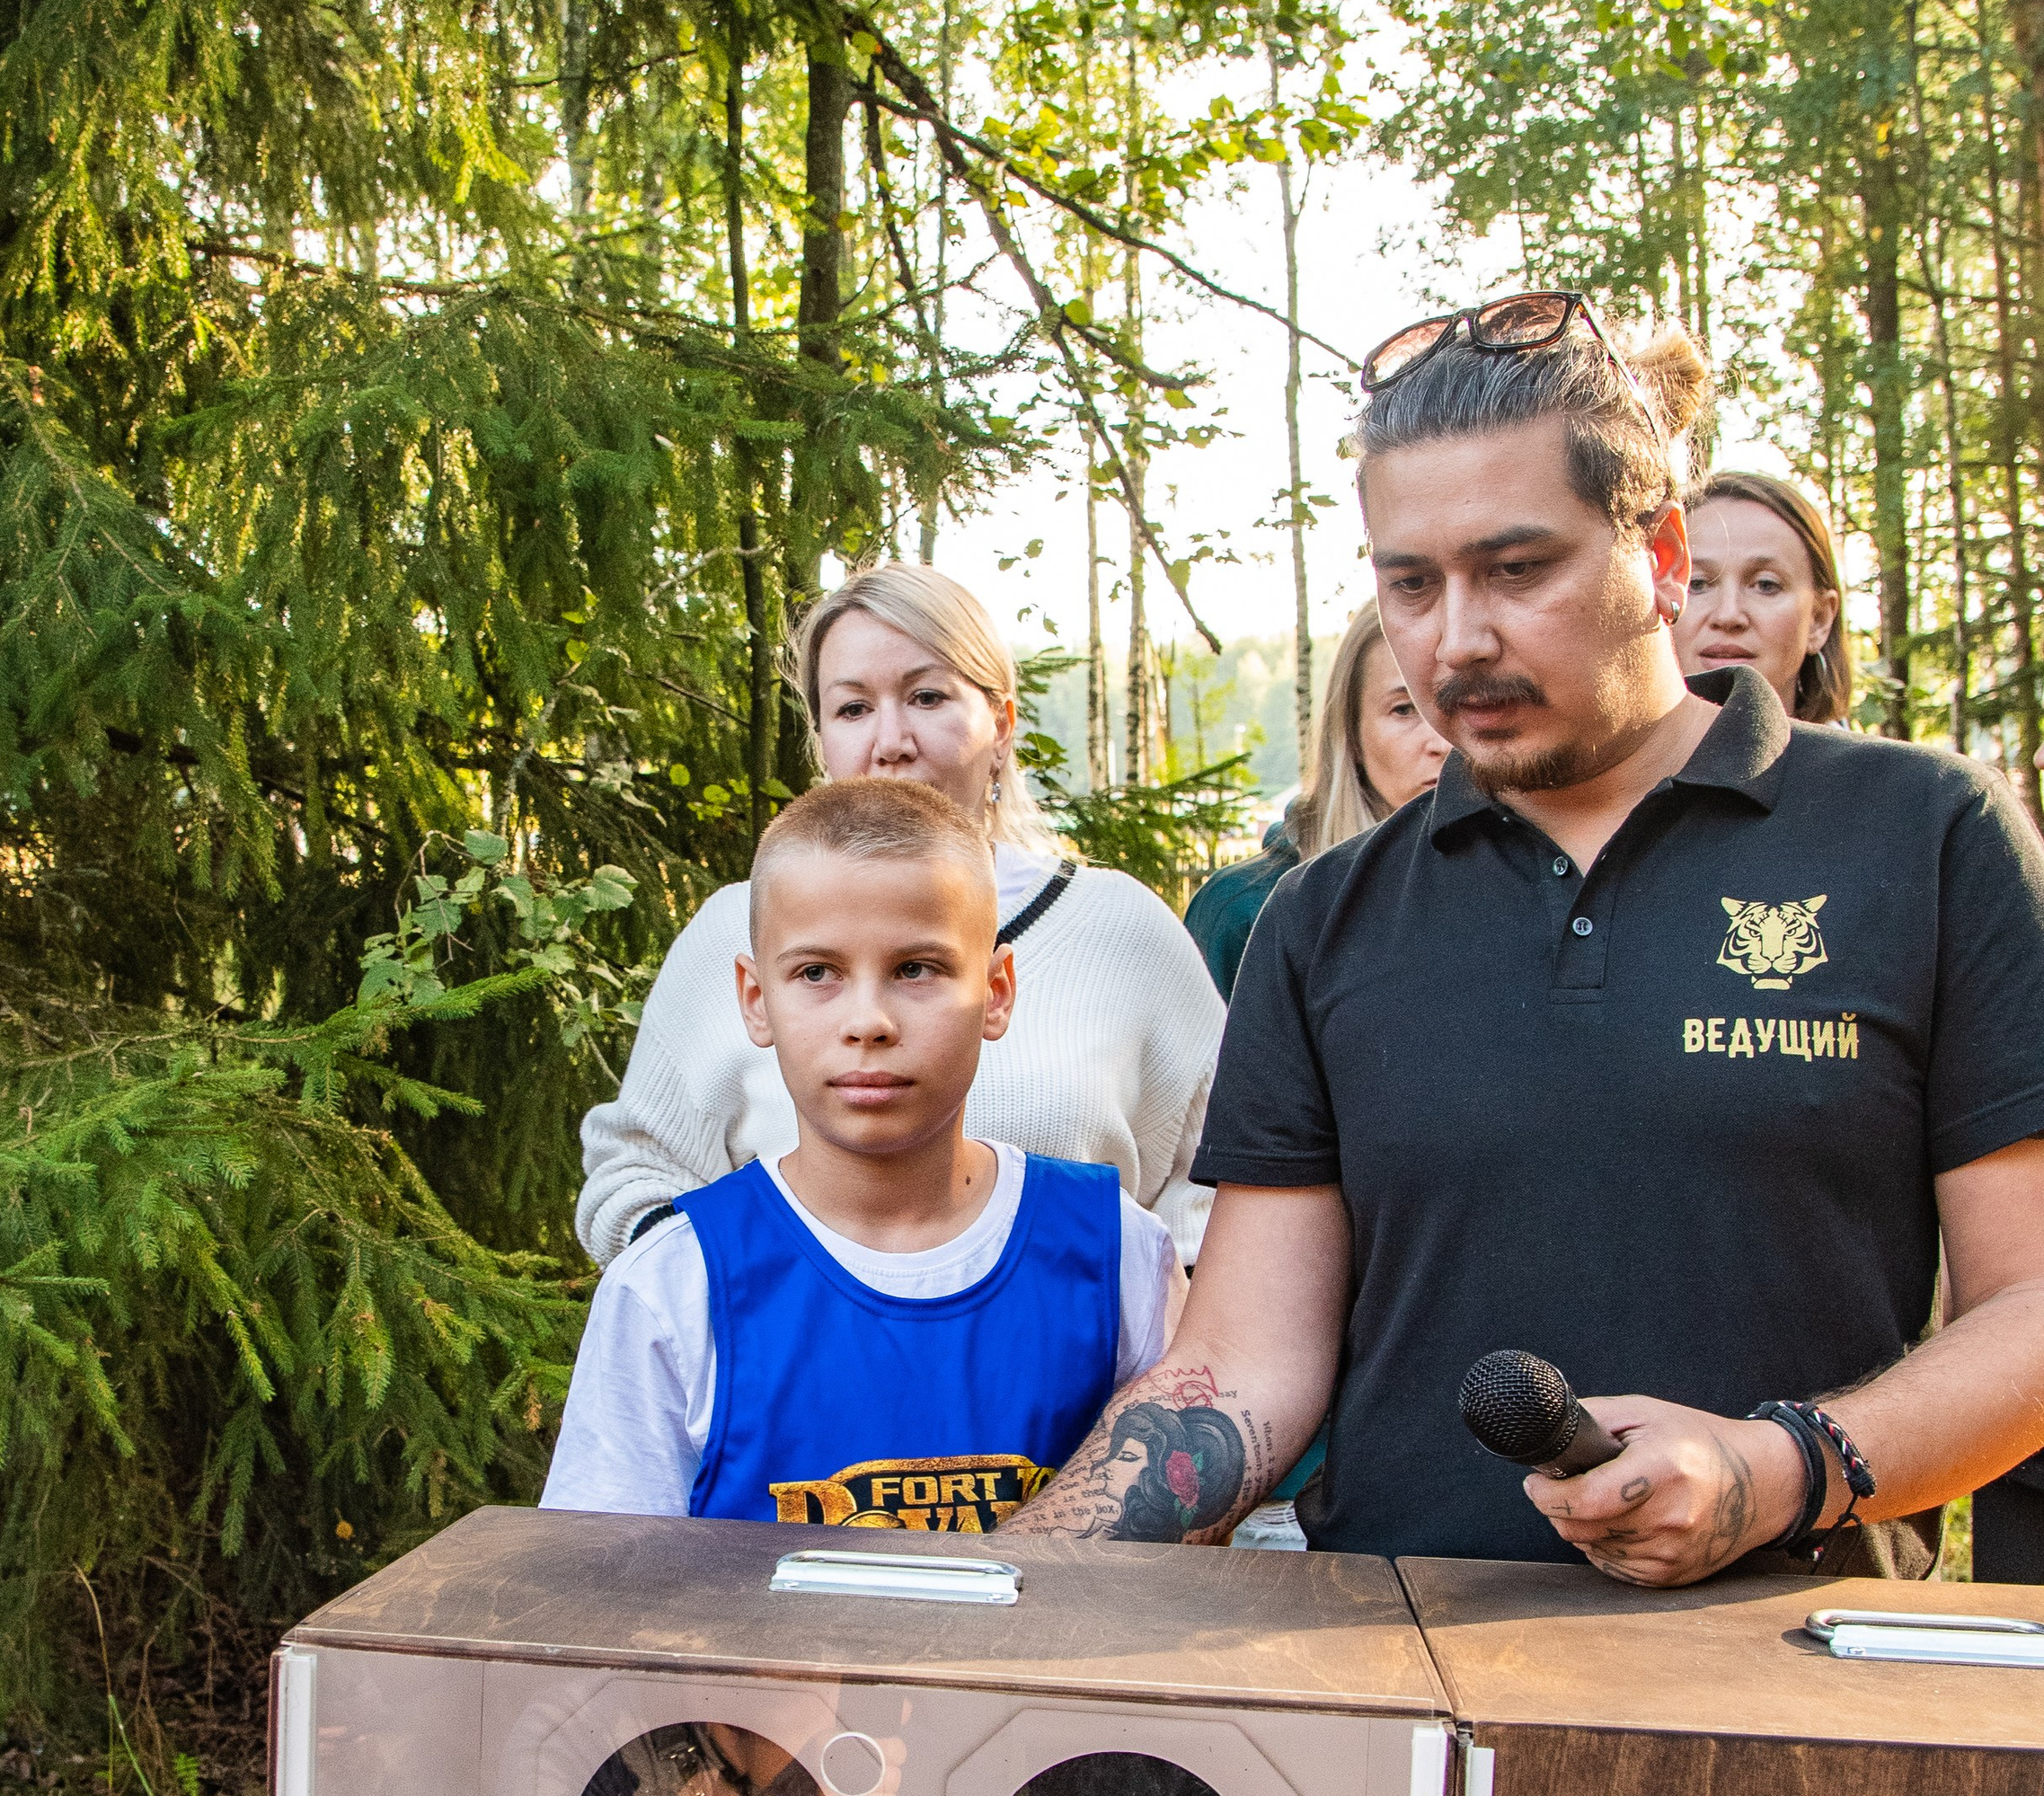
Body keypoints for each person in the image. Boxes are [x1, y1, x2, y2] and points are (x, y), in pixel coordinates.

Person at [1012, 289, 2044, 1588]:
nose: (1459, 639)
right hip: (1394, 1688)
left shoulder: (1926, 837)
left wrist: (1776, 1470)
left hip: (1800, 1696)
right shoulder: (1323, 921)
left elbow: (2031, 1313)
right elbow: (1248, 1372)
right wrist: (1004, 1590)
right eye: (1412, 584)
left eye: (1518, 569)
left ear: (1661, 558)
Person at [543, 776, 1179, 1526]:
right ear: (756, 1000)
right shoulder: (674, 1287)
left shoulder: (1119, 1253)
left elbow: (1176, 1552)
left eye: (917, 969)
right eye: (817, 973)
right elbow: (607, 1587)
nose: (868, 1021)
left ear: (997, 991)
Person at [577, 562, 1225, 1263]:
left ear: (1000, 725)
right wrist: (762, 1299)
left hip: (1078, 1366)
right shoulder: (735, 934)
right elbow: (634, 1175)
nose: (891, 742)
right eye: (853, 708)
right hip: (799, 1368)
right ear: (821, 736)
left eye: (926, 696)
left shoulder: (1122, 930)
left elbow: (1220, 1185)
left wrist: (1154, 1343)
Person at [1184, 603, 1448, 997]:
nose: (1443, 742)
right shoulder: (1246, 913)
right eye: (1405, 709)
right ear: (1351, 735)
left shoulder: (1533, 891)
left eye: (1461, 702)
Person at [1680, 467, 1851, 721]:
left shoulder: (1883, 763)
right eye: (1697, 584)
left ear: (1819, 620)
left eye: (1766, 585)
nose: (1728, 615)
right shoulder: (1610, 760)